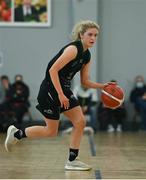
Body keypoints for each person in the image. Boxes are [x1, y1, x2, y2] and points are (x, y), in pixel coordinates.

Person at [5, 20, 109, 171]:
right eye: (90, 34)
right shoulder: (73, 49)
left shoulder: (87, 55)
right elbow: (52, 70)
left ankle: (72, 160)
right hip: (50, 89)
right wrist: (60, 94)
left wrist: (103, 86)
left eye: (96, 35)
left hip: (64, 89)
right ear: (81, 35)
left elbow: (85, 81)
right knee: (51, 131)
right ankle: (17, 134)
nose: (93, 38)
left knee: (80, 122)